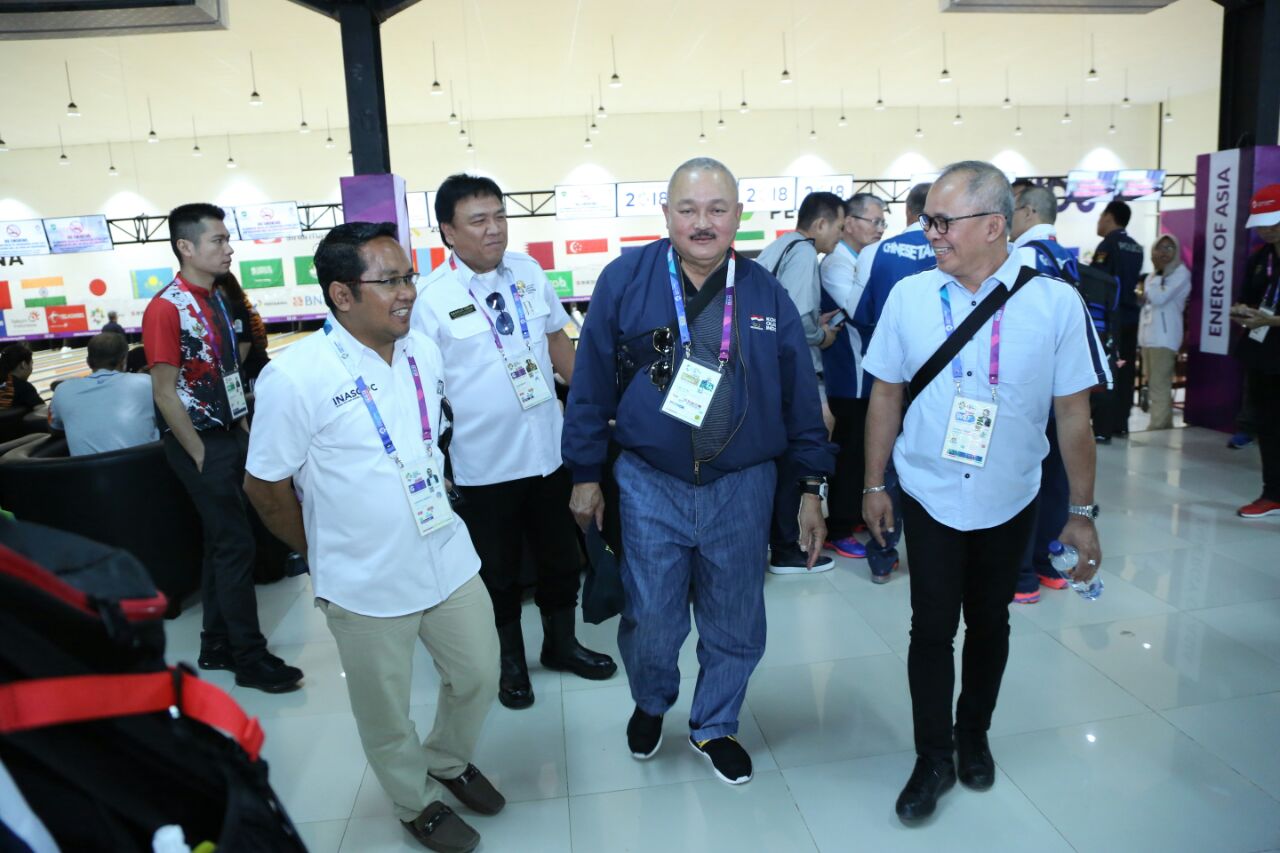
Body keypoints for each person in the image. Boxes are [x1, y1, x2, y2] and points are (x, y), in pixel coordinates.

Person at [563, 157, 834, 785]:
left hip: (742, 484)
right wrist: (584, 472)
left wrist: (811, 486)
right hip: (648, 480)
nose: (702, 222)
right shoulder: (626, 279)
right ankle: (652, 700)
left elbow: (800, 399)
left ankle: (715, 723)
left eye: (717, 209)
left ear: (738, 215)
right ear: (666, 214)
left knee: (735, 616)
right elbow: (591, 384)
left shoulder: (763, 291)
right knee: (650, 618)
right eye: (688, 209)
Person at [861, 161, 1108, 823]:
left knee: (991, 621)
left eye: (944, 222)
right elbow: (884, 394)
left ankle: (973, 734)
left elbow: (1074, 416)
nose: (931, 233)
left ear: (995, 225)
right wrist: (874, 483)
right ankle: (933, 755)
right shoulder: (910, 297)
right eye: (928, 220)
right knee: (931, 627)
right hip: (929, 490)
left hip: (1011, 493)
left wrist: (1081, 512)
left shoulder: (1054, 303)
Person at [245, 222, 502, 853]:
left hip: (446, 554)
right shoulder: (295, 376)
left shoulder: (422, 351)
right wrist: (321, 553)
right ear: (342, 294)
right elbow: (264, 486)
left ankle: (446, 759)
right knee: (385, 710)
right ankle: (415, 800)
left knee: (478, 674)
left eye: (409, 276)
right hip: (363, 578)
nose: (408, 291)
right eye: (389, 281)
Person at [413, 174, 616, 711]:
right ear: (448, 231)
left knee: (560, 558)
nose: (494, 229)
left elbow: (556, 344)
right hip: (482, 463)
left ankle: (561, 644)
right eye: (479, 220)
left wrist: (597, 408)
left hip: (548, 451)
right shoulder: (431, 299)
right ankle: (509, 663)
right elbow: (421, 389)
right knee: (496, 572)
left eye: (500, 216)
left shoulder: (528, 272)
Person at [142, 202, 301, 694]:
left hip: (230, 433)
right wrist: (197, 450)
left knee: (221, 543)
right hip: (200, 444)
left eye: (227, 239)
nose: (229, 248)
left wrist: (243, 425)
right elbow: (164, 391)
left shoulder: (215, 299)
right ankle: (249, 657)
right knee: (236, 544)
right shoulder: (166, 308)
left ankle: (215, 644)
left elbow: (227, 372)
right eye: (218, 240)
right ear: (186, 247)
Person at [846, 182, 936, 583]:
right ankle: (934, 549)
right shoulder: (953, 249)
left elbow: (862, 313)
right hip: (940, 379)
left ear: (908, 212)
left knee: (883, 461)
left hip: (889, 375)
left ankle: (883, 556)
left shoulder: (880, 251)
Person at [756, 191, 845, 574]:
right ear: (821, 224)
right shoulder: (805, 251)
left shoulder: (779, 246)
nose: (839, 236)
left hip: (767, 372)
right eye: (839, 227)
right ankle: (787, 547)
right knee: (800, 453)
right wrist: (822, 335)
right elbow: (796, 317)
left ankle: (778, 541)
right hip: (791, 373)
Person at [1008, 182, 1078, 604]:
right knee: (1055, 477)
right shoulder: (1066, 256)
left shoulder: (1024, 257)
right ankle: (1049, 565)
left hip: (1029, 388)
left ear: (1029, 211)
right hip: (1063, 387)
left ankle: (1021, 578)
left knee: (1023, 479)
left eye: (1012, 209)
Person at [818, 193, 888, 560]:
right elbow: (864, 312)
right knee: (848, 454)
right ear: (849, 223)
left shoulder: (862, 260)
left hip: (868, 375)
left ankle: (855, 515)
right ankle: (838, 528)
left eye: (882, 222)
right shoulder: (836, 264)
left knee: (863, 451)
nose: (879, 229)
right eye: (874, 221)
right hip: (849, 377)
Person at [1230, 183, 1280, 520]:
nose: (1265, 230)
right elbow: (1247, 298)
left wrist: (1272, 320)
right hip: (1263, 355)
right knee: (1268, 426)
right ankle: (1273, 493)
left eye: (1271, 222)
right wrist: (1242, 312)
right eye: (1261, 224)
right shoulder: (1261, 258)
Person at [49, 332, 158, 456]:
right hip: (144, 465)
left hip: (86, 468)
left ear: (88, 361)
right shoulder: (146, 382)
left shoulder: (62, 390)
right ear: (124, 360)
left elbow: (54, 429)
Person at [1090, 200, 1144, 442]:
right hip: (1132, 316)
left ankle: (1104, 426)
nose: (1098, 222)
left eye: (1100, 216)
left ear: (1109, 217)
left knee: (1110, 369)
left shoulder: (1108, 244)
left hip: (1113, 319)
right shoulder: (1136, 247)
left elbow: (1098, 282)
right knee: (1127, 370)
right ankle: (1121, 422)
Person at [1138, 234, 1191, 430]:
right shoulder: (1153, 276)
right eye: (1160, 248)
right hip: (1148, 337)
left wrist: (1157, 276)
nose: (1164, 252)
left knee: (1159, 384)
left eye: (1169, 248)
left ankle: (1158, 426)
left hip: (1165, 338)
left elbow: (1159, 298)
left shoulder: (1180, 273)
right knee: (1154, 383)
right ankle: (1164, 423)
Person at [216, 272, 271, 387]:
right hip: (257, 368)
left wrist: (231, 371)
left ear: (222, 288)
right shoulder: (240, 304)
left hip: (253, 371)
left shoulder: (237, 307)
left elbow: (244, 344)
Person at [0, 344, 43, 411]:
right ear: (23, 364)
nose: (31, 368)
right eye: (31, 364)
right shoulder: (23, 387)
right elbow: (43, 410)